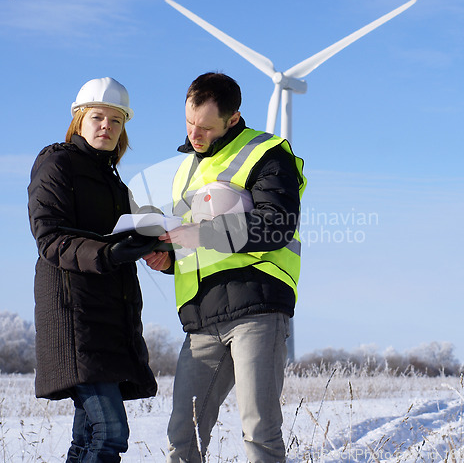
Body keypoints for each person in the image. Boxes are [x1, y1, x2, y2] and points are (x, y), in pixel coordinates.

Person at [145, 72, 306, 463]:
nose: (194, 134)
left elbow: (277, 224)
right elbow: (195, 246)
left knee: (259, 433)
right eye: (189, 123)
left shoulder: (267, 152)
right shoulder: (185, 170)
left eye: (205, 127)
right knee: (182, 435)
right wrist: (167, 258)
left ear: (233, 119)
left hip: (257, 307)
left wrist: (199, 234)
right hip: (201, 316)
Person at [27, 77, 159, 462]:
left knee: (87, 435)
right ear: (79, 120)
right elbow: (49, 237)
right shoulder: (57, 163)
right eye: (98, 117)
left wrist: (154, 241)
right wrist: (112, 253)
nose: (107, 126)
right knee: (110, 432)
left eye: (116, 121)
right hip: (74, 314)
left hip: (110, 317)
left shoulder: (115, 183)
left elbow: (122, 240)